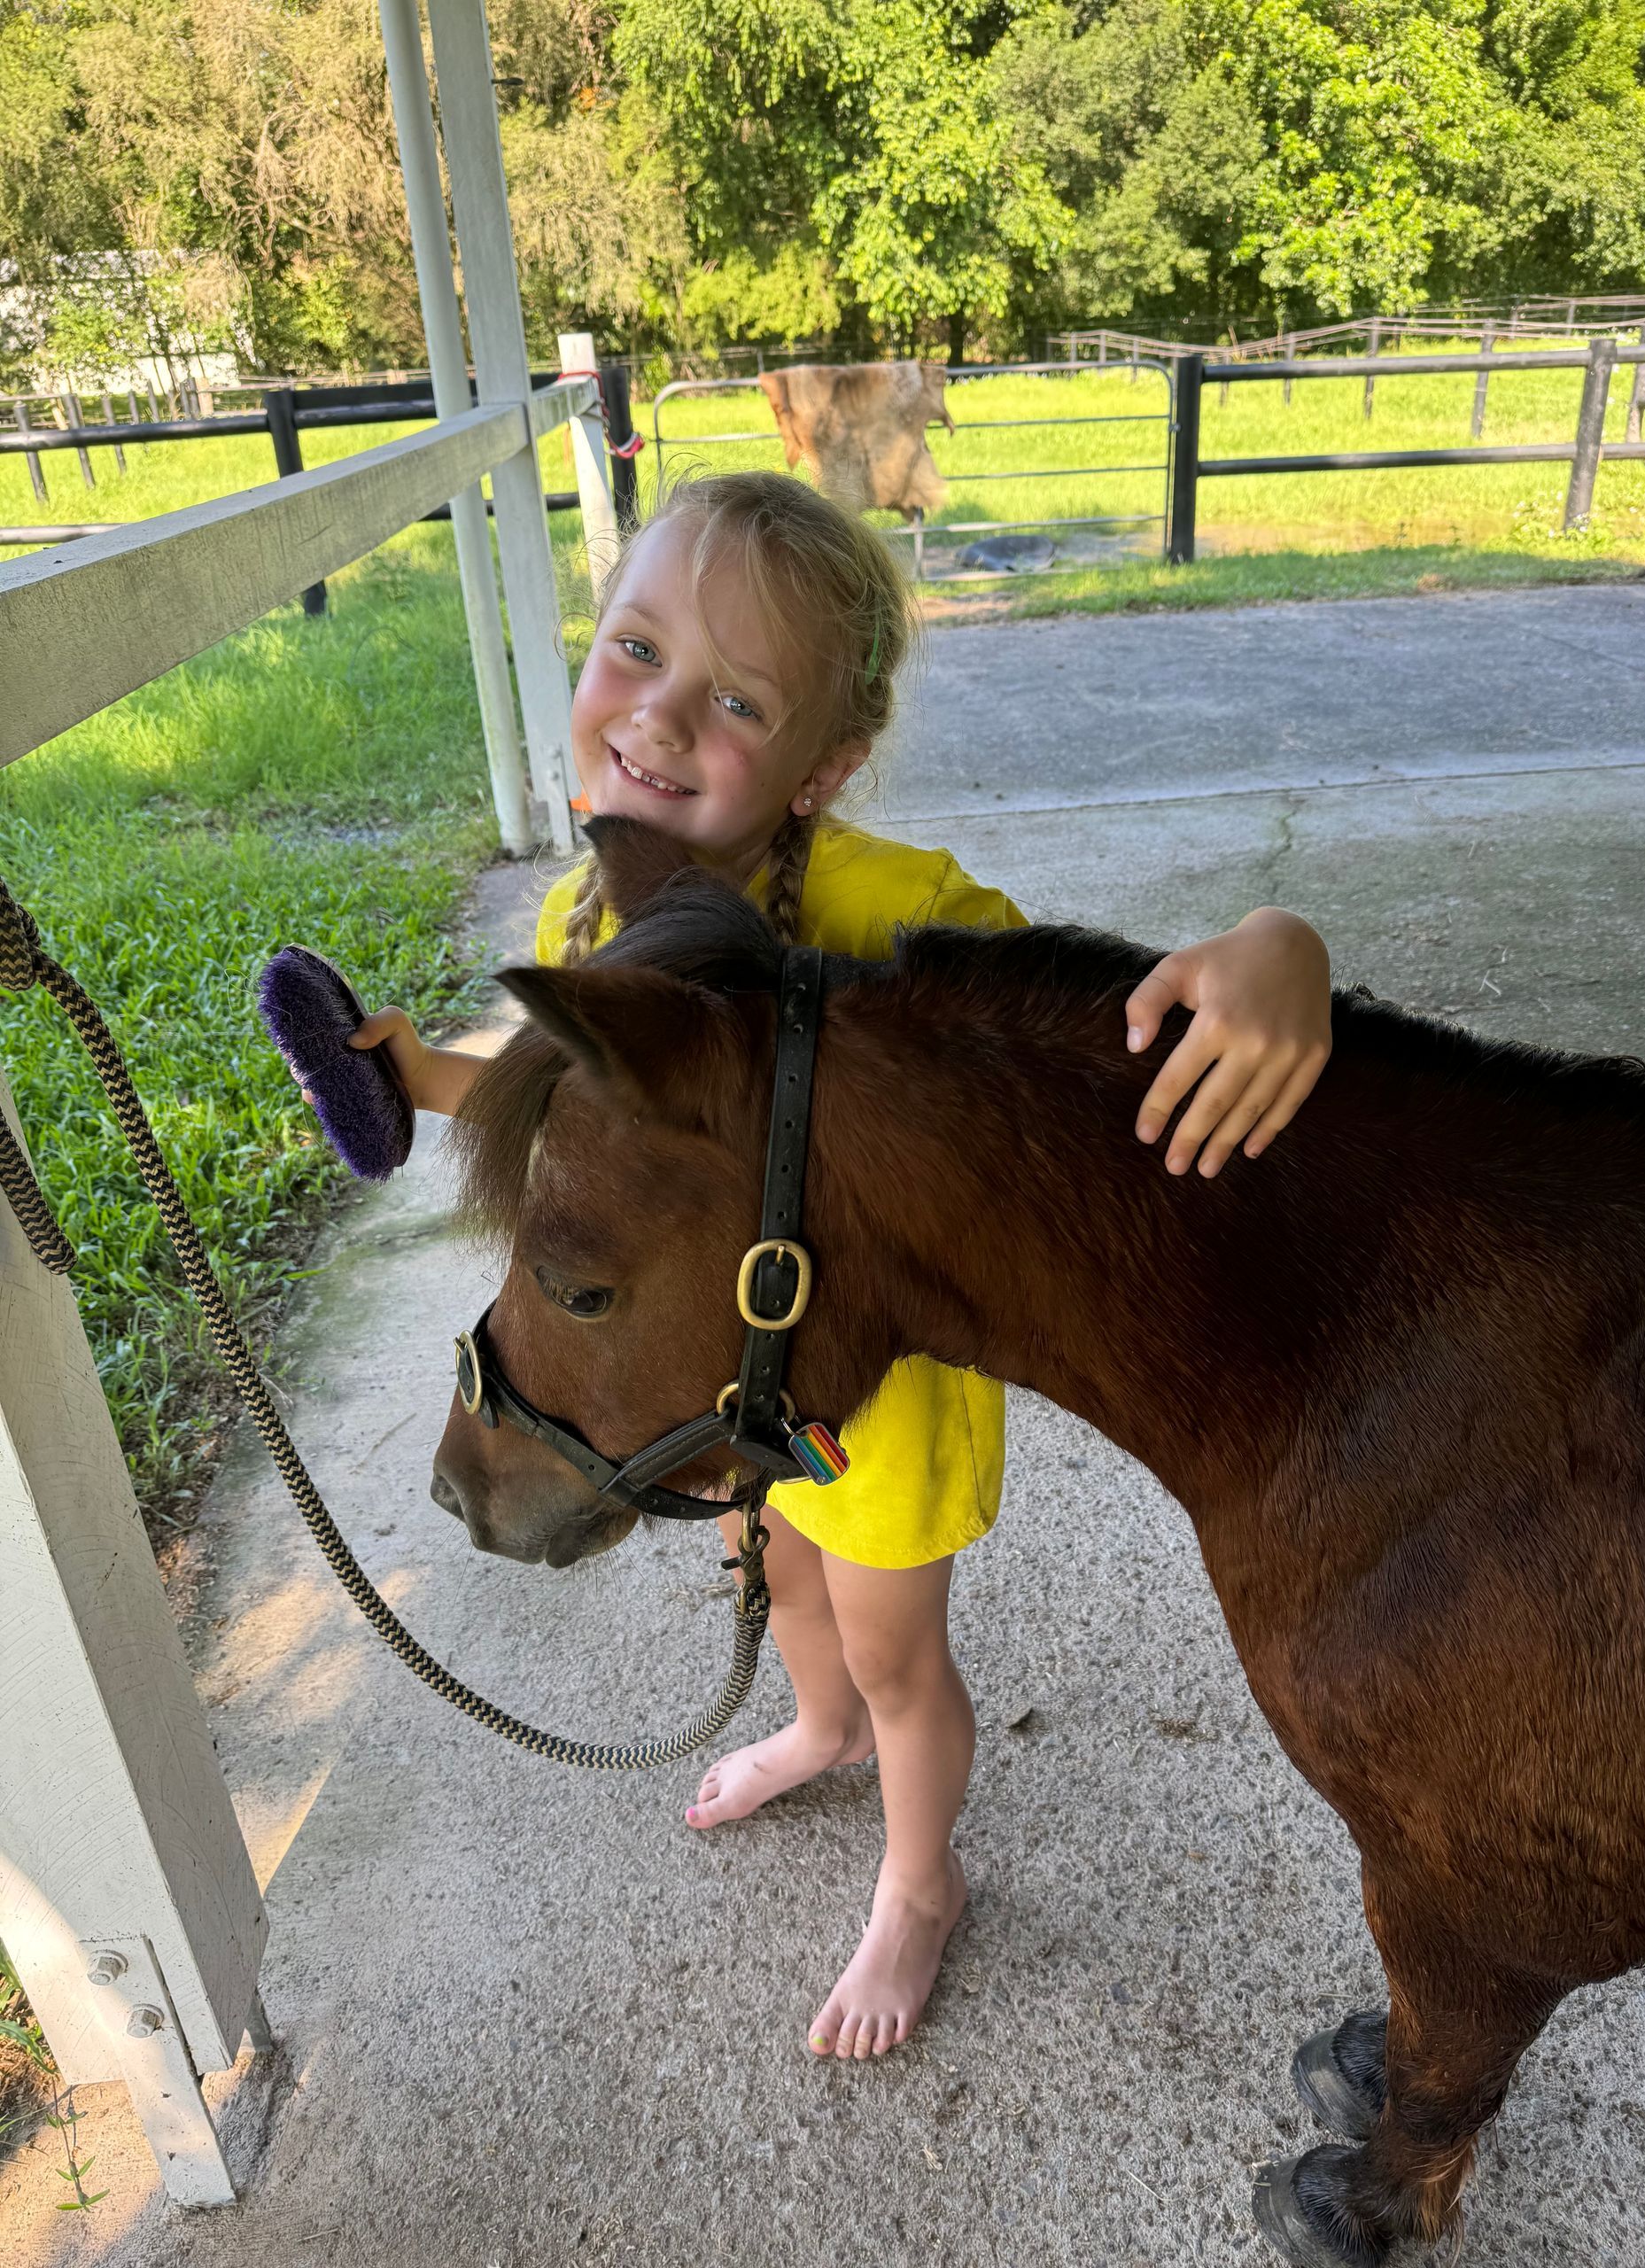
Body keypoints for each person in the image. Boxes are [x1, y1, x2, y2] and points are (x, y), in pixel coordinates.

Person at [336, 470, 1333, 2063]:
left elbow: (1098, 1033)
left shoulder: (902, 916)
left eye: (737, 700)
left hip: (881, 1400)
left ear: (826, 764)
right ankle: (818, 1733)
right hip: (724, 1369)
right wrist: (423, 1077)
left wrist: (1279, 947)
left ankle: (922, 1878)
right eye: (635, 649)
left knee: (893, 1648)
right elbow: (577, 1113)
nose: (659, 717)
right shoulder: (594, 906)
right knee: (779, 1573)